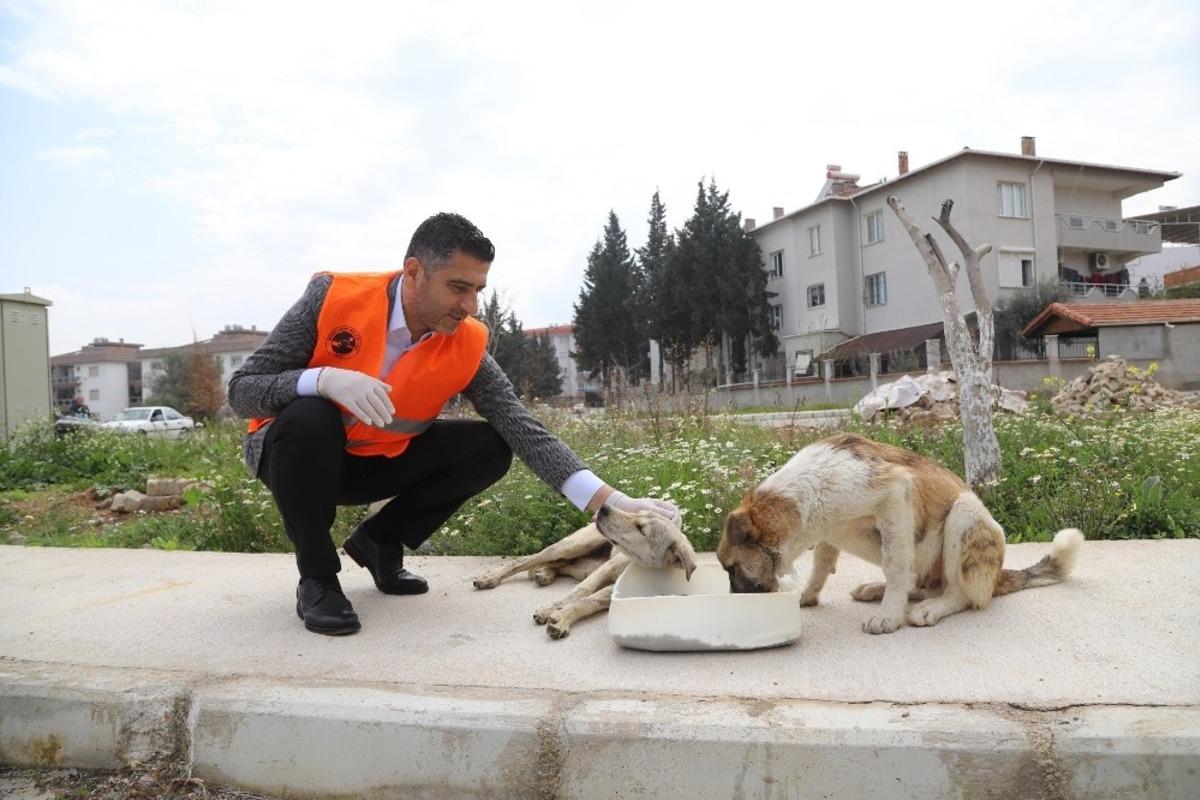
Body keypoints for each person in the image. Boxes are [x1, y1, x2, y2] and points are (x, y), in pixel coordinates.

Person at [228, 213, 680, 636]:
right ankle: (318, 580)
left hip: (373, 462)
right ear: (413, 272)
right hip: (298, 459)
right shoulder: (332, 298)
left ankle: (379, 541)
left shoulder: (464, 342)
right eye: (458, 287)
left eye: (478, 289)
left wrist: (615, 502)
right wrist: (321, 380)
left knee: (490, 444)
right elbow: (242, 389)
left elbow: (521, 424)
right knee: (309, 416)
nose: (470, 305)